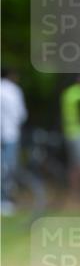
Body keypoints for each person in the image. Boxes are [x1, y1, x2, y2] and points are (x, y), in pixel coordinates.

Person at [0, 67, 27, 215]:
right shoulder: (14, 90)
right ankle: (5, 200)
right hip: (11, 134)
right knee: (9, 168)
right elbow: (21, 114)